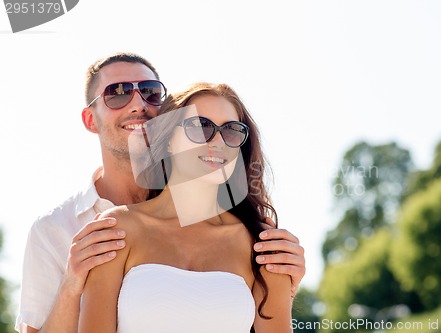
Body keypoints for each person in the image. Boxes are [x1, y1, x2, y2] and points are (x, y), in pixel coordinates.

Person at [16, 53, 305, 333]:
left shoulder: (261, 242)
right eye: (117, 93)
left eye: (151, 93)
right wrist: (71, 283)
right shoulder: (93, 228)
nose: (138, 105)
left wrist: (286, 289)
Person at [79, 81, 293, 332]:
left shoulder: (261, 244)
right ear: (168, 138)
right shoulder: (117, 229)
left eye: (232, 130)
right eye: (201, 127)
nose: (218, 141)